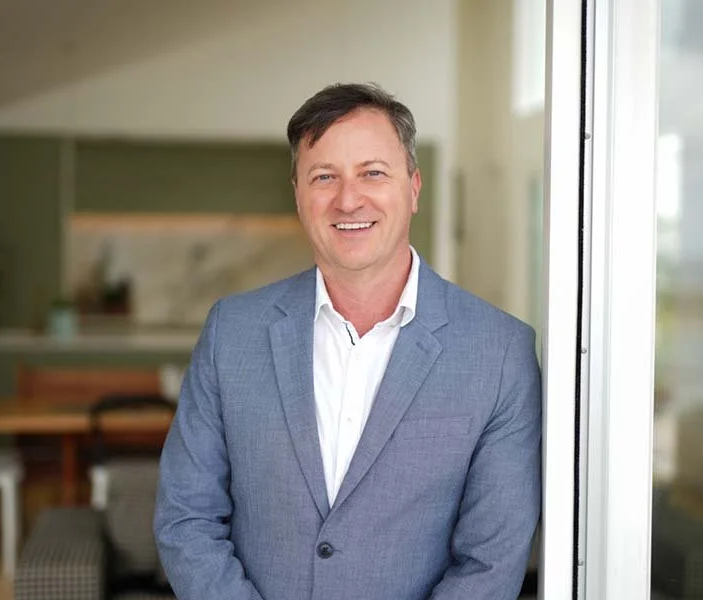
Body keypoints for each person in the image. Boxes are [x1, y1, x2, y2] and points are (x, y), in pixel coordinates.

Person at [154, 82, 541, 600]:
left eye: (373, 173)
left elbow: (490, 562)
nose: (348, 198)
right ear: (298, 194)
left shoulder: (500, 352)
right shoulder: (231, 333)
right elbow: (186, 518)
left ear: (414, 187)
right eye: (324, 177)